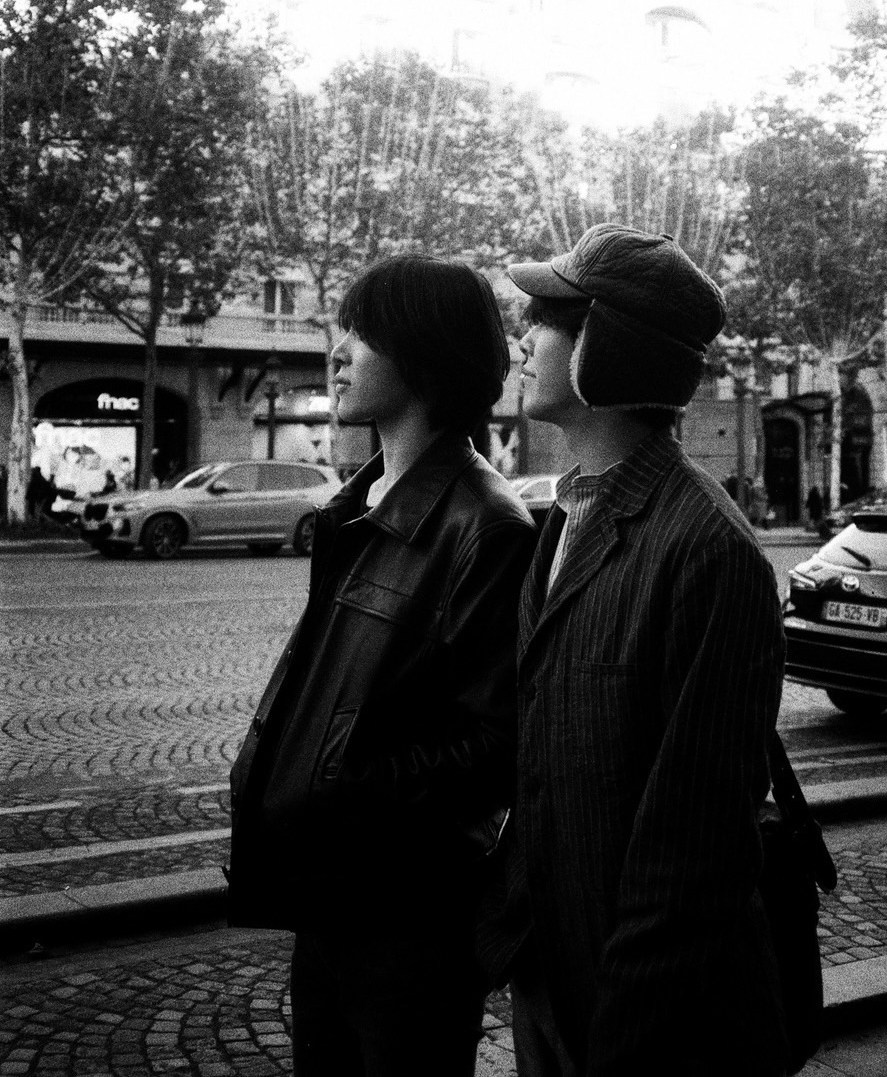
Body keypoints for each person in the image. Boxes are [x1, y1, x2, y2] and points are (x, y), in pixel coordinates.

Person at [479, 224, 788, 1077]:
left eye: (548, 319)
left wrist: (620, 1039)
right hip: (551, 970)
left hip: (645, 1022)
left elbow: (695, 847)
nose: (524, 339)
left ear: (606, 350)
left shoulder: (707, 549)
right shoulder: (564, 517)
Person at [227, 255, 537, 1077]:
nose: (338, 352)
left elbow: (496, 745)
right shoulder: (352, 506)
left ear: (426, 356)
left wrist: (340, 786)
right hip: (331, 895)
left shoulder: (487, 525)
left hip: (409, 917)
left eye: (361, 335)